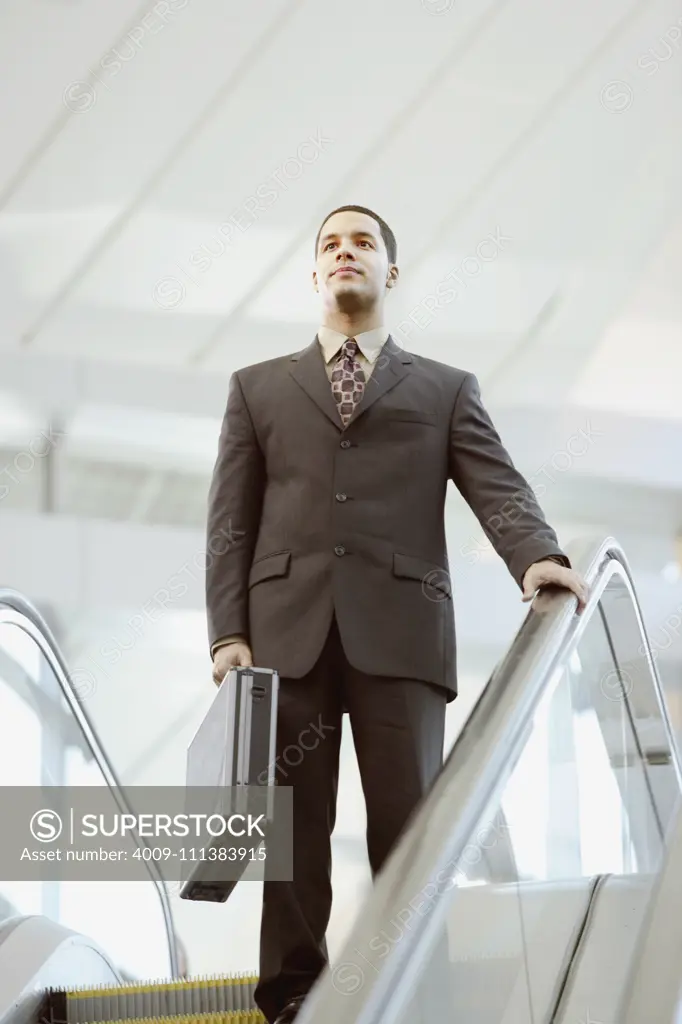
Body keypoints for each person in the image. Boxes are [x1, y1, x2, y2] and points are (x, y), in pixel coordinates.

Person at [205, 204, 588, 1023]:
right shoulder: (257, 388)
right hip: (285, 636)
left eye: (364, 244)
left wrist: (537, 555)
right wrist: (229, 632)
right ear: (315, 274)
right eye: (331, 245)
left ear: (391, 272)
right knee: (293, 834)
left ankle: (413, 990)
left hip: (403, 638)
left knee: (409, 832)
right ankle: (293, 999)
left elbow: (497, 483)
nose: (348, 253)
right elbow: (228, 520)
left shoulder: (446, 389)